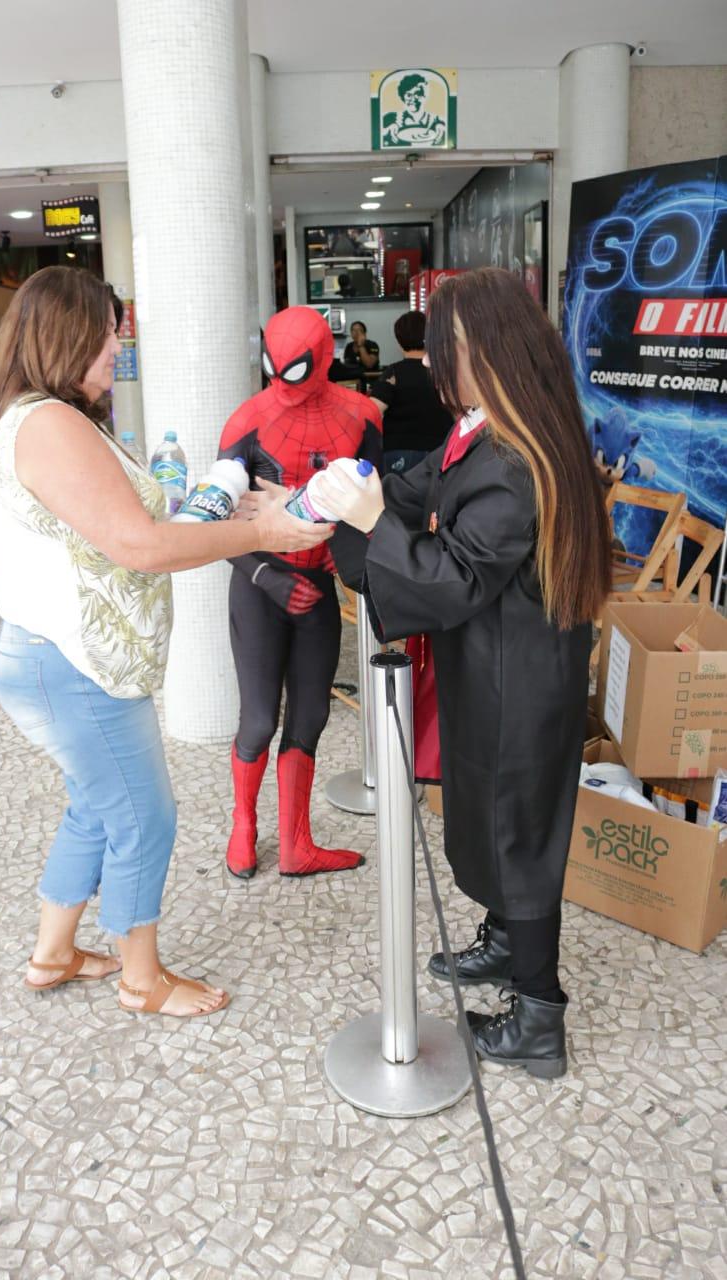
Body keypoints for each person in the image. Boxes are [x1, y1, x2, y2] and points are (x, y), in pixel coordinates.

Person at [0, 267, 331, 1019]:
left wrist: (205, 503)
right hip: (74, 667)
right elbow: (138, 546)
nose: (118, 345)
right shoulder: (48, 424)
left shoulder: (43, 417)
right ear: (70, 333)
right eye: (109, 331)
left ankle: (53, 954)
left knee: (94, 806)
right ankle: (143, 979)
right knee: (144, 815)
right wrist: (263, 531)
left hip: (55, 658)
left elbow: (118, 526)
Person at [315, 268, 612, 1079]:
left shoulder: (516, 458)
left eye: (446, 350)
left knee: (518, 836)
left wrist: (369, 521)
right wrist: (343, 495)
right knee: (487, 815)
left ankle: (538, 1021)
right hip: (495, 667)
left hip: (520, 680)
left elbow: (454, 578)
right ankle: (507, 943)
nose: (439, 367)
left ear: (483, 352)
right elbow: (421, 490)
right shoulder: (487, 431)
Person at [216, 306, 382, 880]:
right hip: (260, 587)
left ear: (323, 360)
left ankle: (296, 844)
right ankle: (243, 827)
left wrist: (344, 560)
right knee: (259, 718)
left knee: (309, 715)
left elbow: (372, 502)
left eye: (294, 372)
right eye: (274, 370)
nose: (281, 388)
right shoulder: (247, 422)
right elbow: (215, 526)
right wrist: (270, 577)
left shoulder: (361, 418)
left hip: (316, 589)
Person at [370, 309, 454, 475]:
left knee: (399, 499)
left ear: (399, 340)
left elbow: (372, 411)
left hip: (399, 450)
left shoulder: (394, 373)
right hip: (441, 450)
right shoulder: (444, 371)